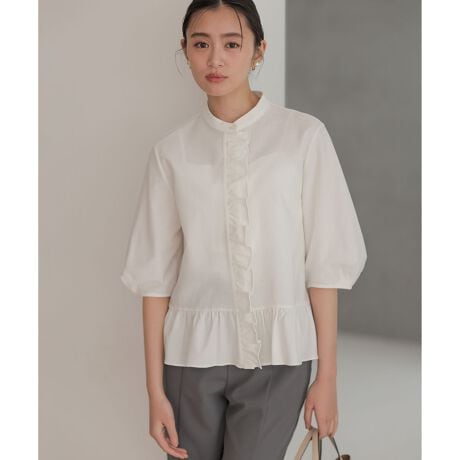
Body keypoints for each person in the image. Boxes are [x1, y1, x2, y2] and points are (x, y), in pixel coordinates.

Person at [120, 1, 367, 459]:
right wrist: (154, 392)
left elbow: (325, 264)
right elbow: (154, 280)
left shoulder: (303, 138)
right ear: (185, 50)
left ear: (258, 51)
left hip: (280, 359)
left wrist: (327, 376)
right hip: (189, 360)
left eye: (232, 44)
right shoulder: (171, 153)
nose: (215, 59)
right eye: (201, 45)